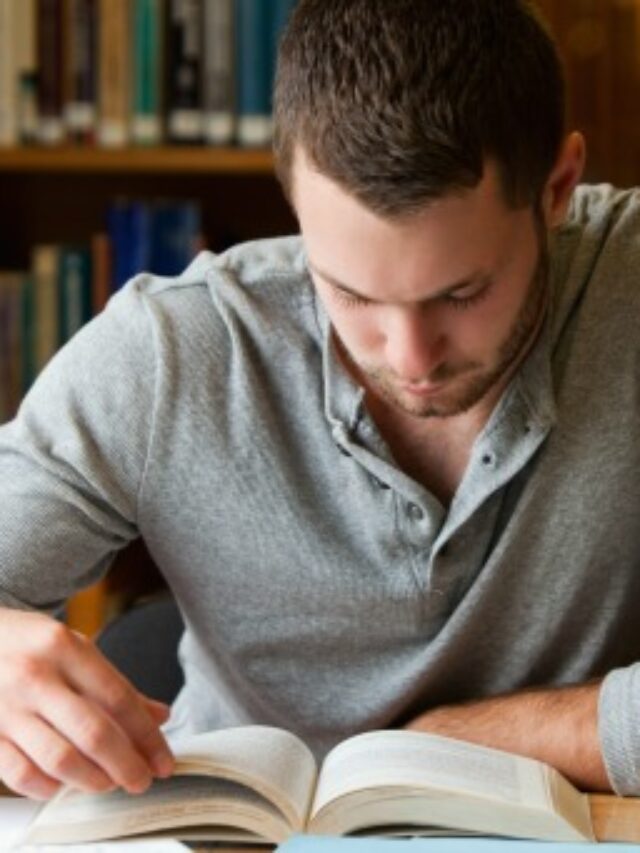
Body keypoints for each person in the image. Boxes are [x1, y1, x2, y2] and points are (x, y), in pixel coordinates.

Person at [0, 0, 638, 802]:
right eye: (350, 291)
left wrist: (490, 737)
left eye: (463, 291)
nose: (410, 359)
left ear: (558, 188)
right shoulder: (171, 352)